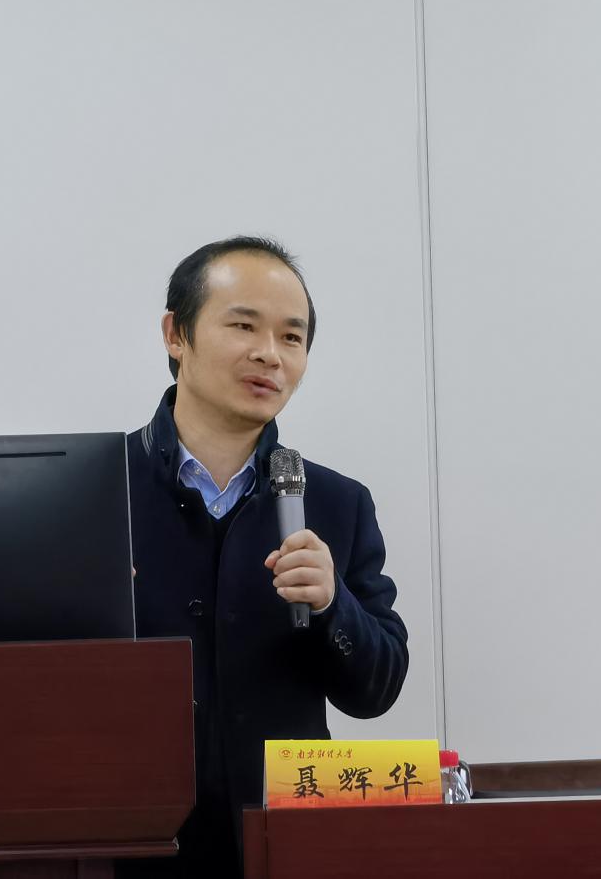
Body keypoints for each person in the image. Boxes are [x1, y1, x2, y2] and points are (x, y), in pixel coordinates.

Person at [121, 236, 409, 877]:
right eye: (244, 326)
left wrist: (334, 606)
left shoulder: (338, 503)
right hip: (133, 842)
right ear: (176, 334)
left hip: (286, 841)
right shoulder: (98, 490)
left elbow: (378, 689)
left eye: (292, 337)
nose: (269, 354)